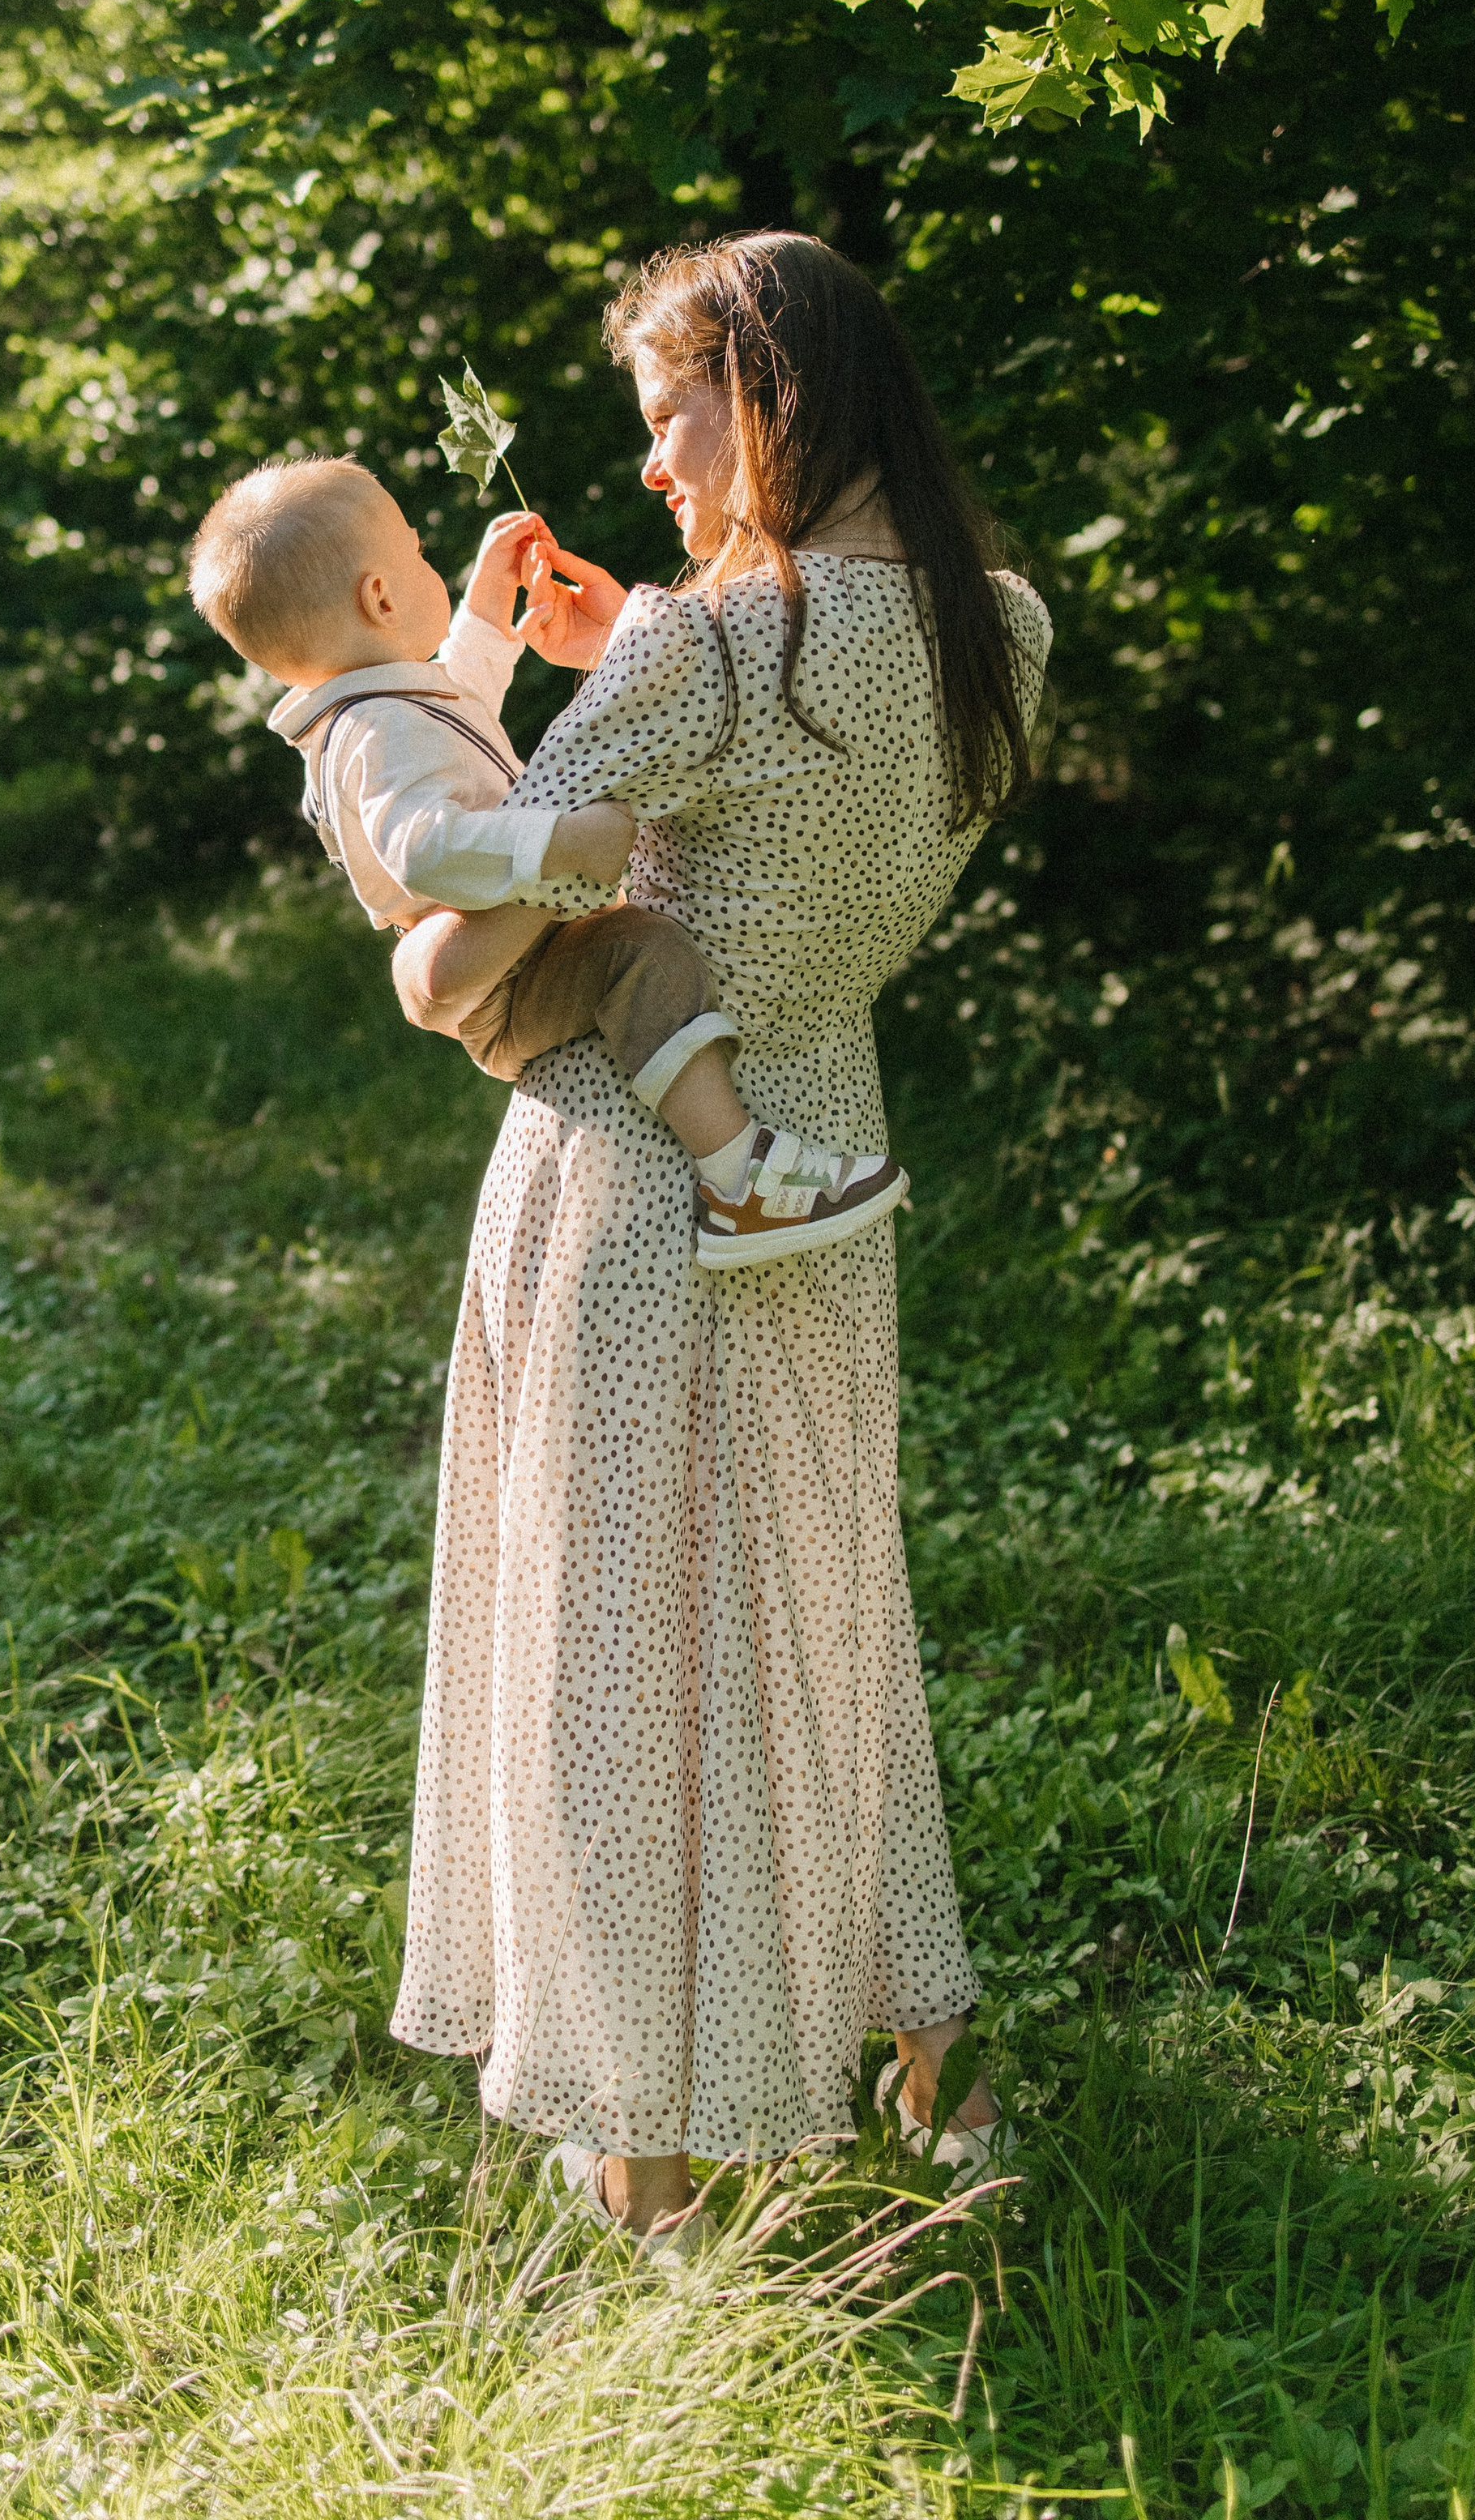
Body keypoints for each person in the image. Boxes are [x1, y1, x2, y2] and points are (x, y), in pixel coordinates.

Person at [387, 231, 1052, 2245]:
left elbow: (455, 961)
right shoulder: (994, 627)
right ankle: (922, 2058)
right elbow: (792, 781)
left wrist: (460, 777)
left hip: (631, 1175)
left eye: (671, 417)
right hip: (815, 1156)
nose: (655, 469)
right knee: (808, 1622)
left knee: (618, 1661)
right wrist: (637, 640)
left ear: (764, 393)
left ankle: (651, 2173)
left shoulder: (703, 649)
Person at [186, 458, 909, 1262]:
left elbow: (461, 700)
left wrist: (487, 614)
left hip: (500, 957)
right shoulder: (376, 731)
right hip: (500, 980)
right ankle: (739, 1179)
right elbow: (426, 850)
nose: (436, 565)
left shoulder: (385, 706)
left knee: (638, 952)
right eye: (421, 556)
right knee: (642, 955)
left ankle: (740, 1171)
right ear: (381, 599)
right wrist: (555, 847)